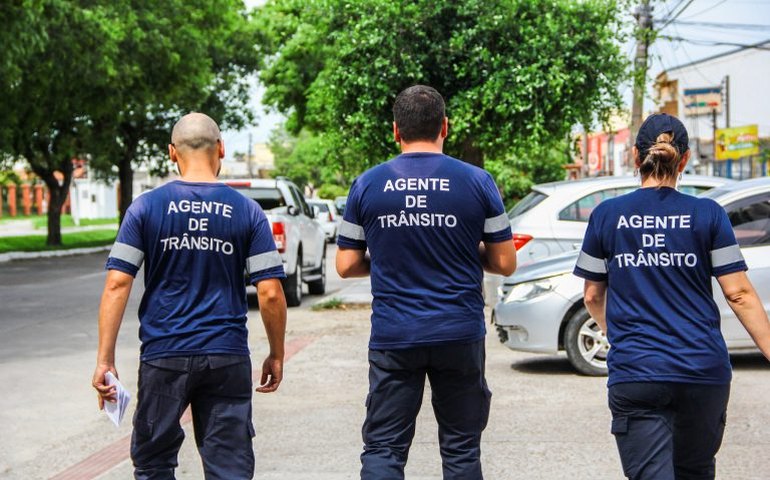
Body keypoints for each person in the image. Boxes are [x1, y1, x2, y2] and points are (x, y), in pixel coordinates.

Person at [574, 113, 770, 480]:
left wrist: (617, 334)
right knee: (695, 472)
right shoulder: (708, 214)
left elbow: (591, 296)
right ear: (685, 159)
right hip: (702, 372)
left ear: (636, 157)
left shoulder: (607, 215)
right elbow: (739, 293)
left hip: (637, 372)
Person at [91, 112, 287, 480]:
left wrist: (105, 359)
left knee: (154, 463)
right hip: (226, 357)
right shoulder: (247, 210)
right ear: (222, 149)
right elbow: (271, 292)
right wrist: (277, 353)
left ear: (171, 153)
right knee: (229, 467)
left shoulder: (145, 208)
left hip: (164, 355)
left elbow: (118, 283)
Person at [336, 85, 517, 479]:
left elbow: (347, 264)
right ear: (445, 127)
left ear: (396, 130)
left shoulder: (367, 184)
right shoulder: (478, 182)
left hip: (395, 335)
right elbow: (505, 263)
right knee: (461, 449)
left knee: (384, 447)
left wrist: (384, 258)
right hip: (459, 332)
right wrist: (464, 253)